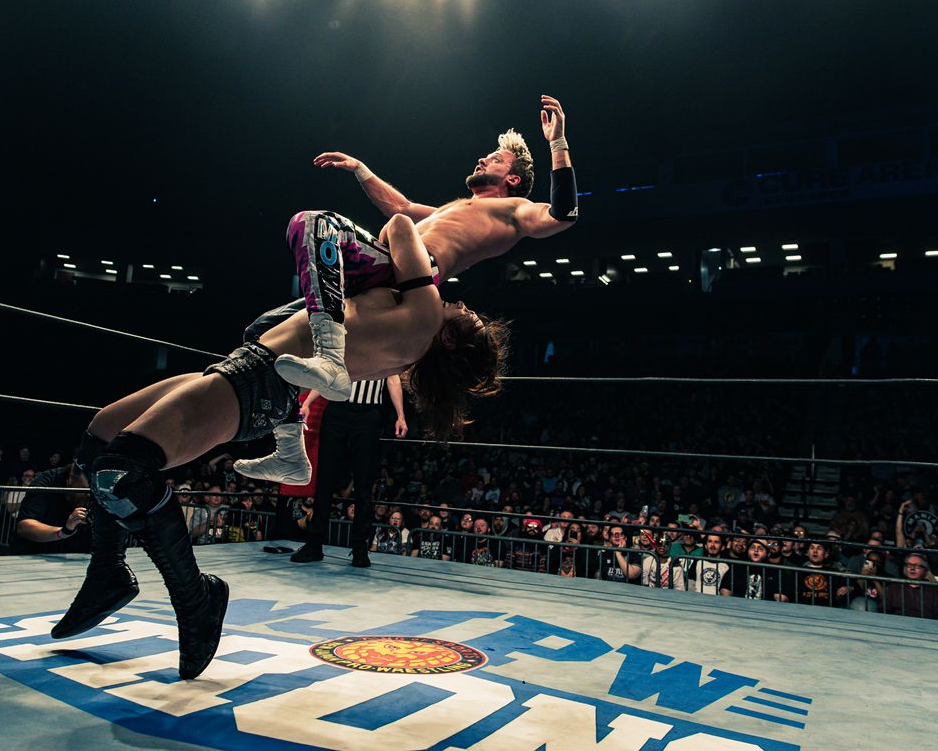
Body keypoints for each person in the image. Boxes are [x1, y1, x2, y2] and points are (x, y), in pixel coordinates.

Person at [51, 215, 508, 680]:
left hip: (258, 381)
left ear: (449, 338)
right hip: (256, 373)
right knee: (100, 435)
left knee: (122, 469)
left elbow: (400, 224)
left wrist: (401, 263)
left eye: (465, 314)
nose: (461, 302)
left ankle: (195, 597)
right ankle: (106, 571)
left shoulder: (424, 314)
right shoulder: (406, 344)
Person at [243, 94, 575, 407]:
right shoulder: (456, 209)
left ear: (513, 180)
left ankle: (329, 359)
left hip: (412, 271)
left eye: (496, 159)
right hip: (387, 263)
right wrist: (361, 169)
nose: (483, 159)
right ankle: (286, 421)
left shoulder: (515, 209)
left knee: (316, 226)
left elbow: (562, 215)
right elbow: (400, 206)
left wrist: (557, 142)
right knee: (262, 330)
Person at [280, 375, 407, 569]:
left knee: (364, 484)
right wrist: (308, 402)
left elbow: (393, 380)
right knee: (325, 479)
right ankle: (314, 544)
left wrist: (401, 415)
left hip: (368, 415)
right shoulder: (346, 352)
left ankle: (360, 549)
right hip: (337, 409)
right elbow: (328, 374)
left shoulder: (385, 356)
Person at [7, 465, 94, 555]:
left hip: (75, 555)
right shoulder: (47, 481)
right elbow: (24, 526)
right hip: (34, 553)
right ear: (70, 479)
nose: (89, 496)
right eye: (85, 490)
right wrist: (64, 532)